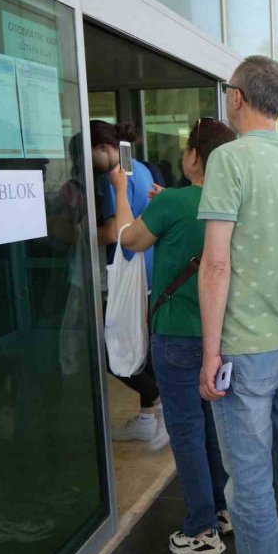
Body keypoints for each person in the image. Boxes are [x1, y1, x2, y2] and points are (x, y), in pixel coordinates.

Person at [197, 56, 278, 554]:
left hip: (246, 347)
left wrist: (210, 354)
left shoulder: (229, 159)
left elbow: (216, 265)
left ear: (238, 97)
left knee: (248, 482)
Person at [108, 118, 237, 554]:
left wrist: (121, 189)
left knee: (185, 431)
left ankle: (201, 529)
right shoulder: (232, 200)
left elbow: (129, 240)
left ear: (195, 157)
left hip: (178, 335)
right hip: (222, 332)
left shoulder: (173, 203)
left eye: (187, 148)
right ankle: (222, 510)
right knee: (213, 429)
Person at [90, 120, 167, 450]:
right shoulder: (142, 170)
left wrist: (72, 233)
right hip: (145, 271)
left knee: (115, 350)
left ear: (103, 149)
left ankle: (155, 397)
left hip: (126, 275)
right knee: (139, 343)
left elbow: (114, 232)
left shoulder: (116, 179)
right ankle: (149, 416)